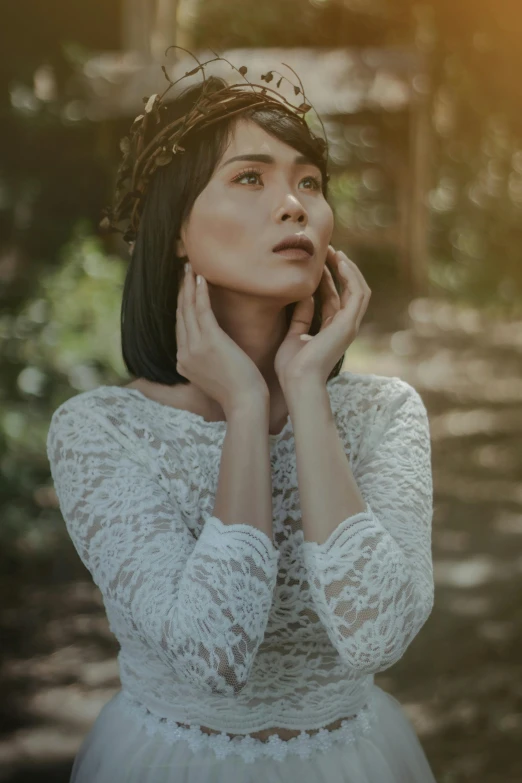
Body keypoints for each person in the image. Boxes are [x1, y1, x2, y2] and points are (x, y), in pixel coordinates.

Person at [46, 52, 438, 782]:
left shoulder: (386, 414)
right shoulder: (98, 430)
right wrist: (247, 407)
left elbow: (375, 635)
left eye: (309, 182)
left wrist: (307, 393)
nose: (293, 204)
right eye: (250, 177)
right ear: (176, 230)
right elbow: (212, 653)